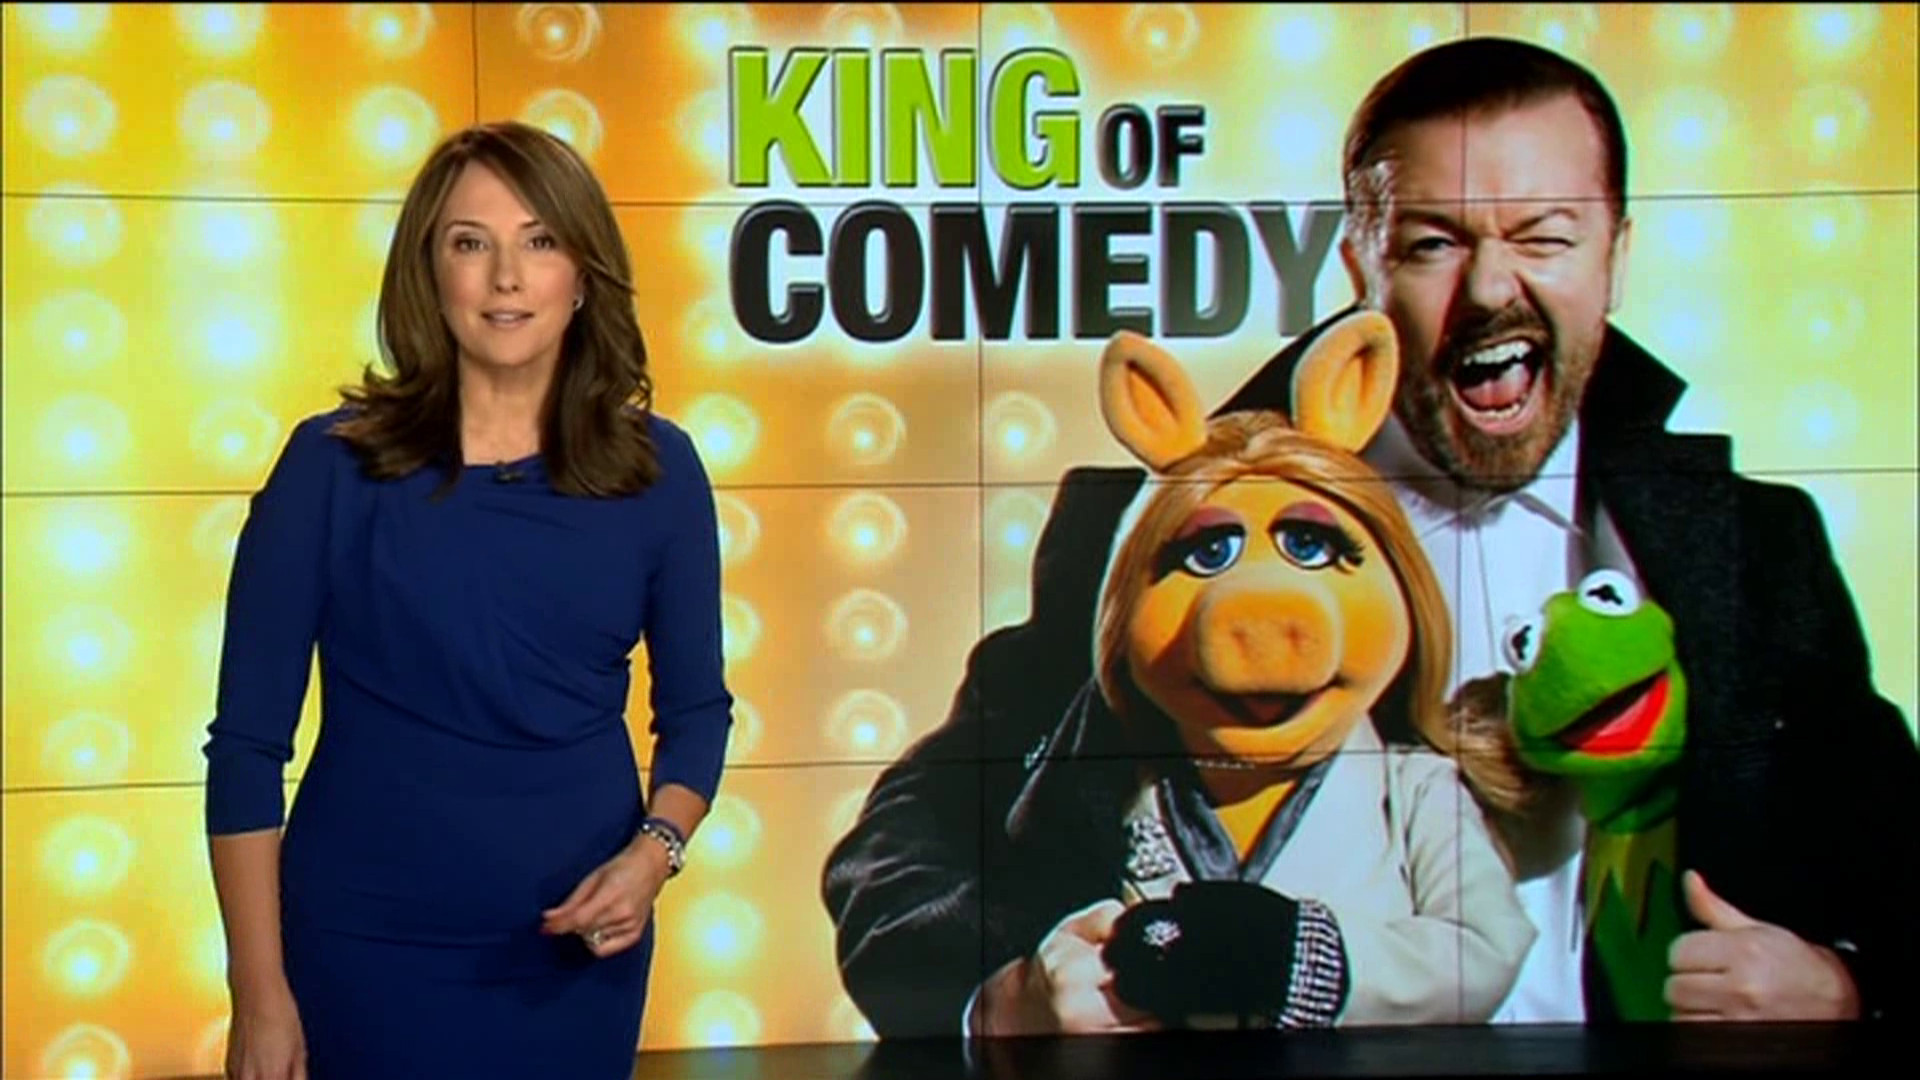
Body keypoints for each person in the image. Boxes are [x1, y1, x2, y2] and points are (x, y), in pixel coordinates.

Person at [820, 36, 1917, 1038]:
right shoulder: (1171, 521)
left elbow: (1893, 845)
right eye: (1435, 243)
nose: (1492, 290)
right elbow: (904, 843)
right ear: (1361, 264)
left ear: (1615, 257)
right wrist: (1002, 998)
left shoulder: (1752, 541)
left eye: (1546, 237)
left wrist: (1850, 983)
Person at [202, 121, 734, 1080]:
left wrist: (654, 854)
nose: (506, 278)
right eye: (469, 243)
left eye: (540, 241)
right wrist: (259, 988)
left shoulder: (660, 471)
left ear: (583, 274)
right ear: (428, 270)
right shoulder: (330, 468)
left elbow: (697, 711)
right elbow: (245, 746)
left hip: (575, 960)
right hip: (364, 952)